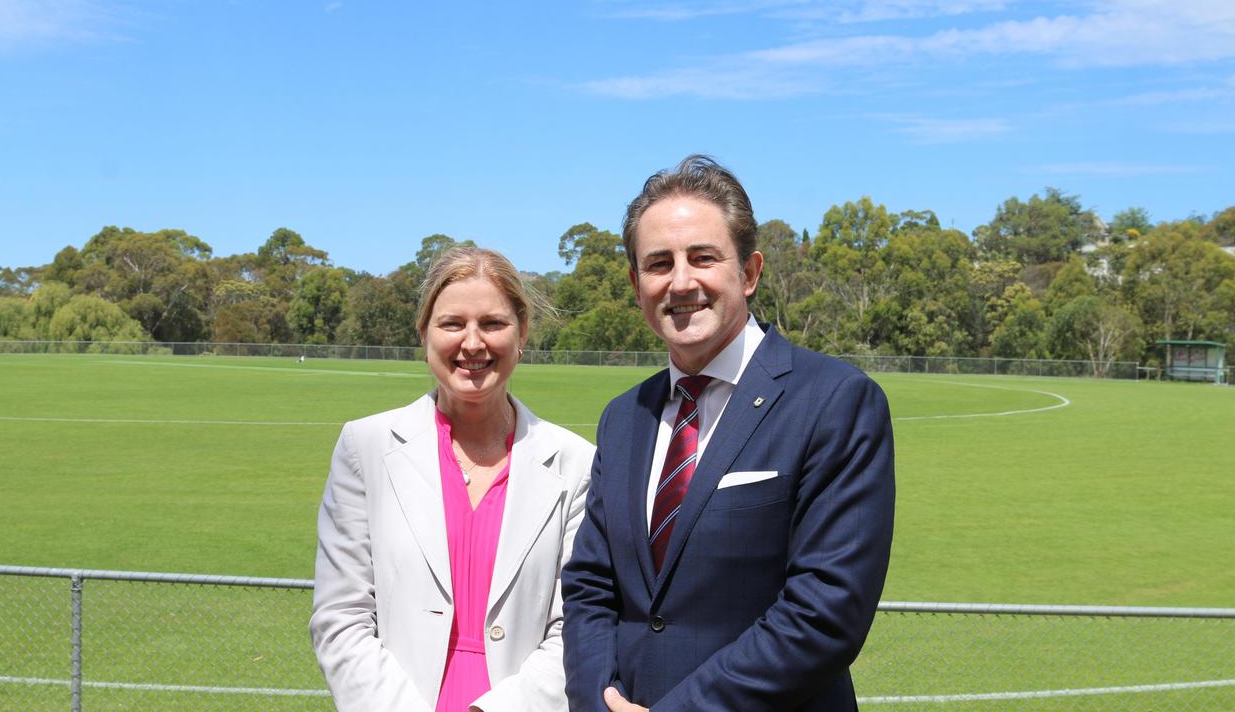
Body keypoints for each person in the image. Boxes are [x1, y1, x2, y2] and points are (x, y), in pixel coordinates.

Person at [561, 155, 895, 712]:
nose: (681, 281)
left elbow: (825, 612)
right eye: (659, 263)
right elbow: (591, 586)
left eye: (703, 258)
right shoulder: (624, 417)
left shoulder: (834, 401)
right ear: (636, 283)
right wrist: (597, 701)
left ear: (750, 272)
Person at [311, 247, 593, 712]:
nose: (473, 343)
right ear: (424, 333)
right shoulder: (365, 446)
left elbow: (578, 628)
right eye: (452, 324)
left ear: (522, 334)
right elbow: (342, 618)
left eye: (493, 323)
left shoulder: (576, 463)